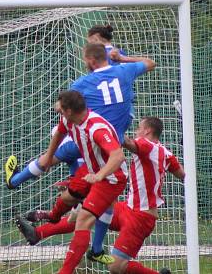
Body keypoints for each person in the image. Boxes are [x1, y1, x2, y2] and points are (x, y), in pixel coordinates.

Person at [5, 42, 155, 263]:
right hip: (104, 149)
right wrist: (123, 59)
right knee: (77, 199)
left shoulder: (83, 85)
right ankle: (77, 237)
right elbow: (150, 63)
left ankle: (15, 181)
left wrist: (99, 174)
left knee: (80, 208)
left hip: (95, 145)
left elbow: (63, 109)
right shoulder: (124, 70)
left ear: (92, 60)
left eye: (85, 59)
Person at [16, 116, 185, 274]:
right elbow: (182, 175)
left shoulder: (146, 145)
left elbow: (125, 142)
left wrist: (106, 126)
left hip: (140, 218)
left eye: (139, 128)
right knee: (88, 213)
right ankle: (38, 234)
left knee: (116, 266)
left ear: (147, 131)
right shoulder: (167, 154)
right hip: (128, 207)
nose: (136, 132)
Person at [16, 89, 127, 274]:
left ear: (68, 110)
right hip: (91, 170)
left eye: (60, 109)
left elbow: (118, 156)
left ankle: (68, 269)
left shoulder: (96, 128)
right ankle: (49, 221)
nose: (57, 110)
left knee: (83, 220)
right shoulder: (69, 120)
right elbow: (58, 134)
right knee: (67, 198)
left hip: (111, 178)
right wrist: (48, 158)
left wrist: (99, 177)